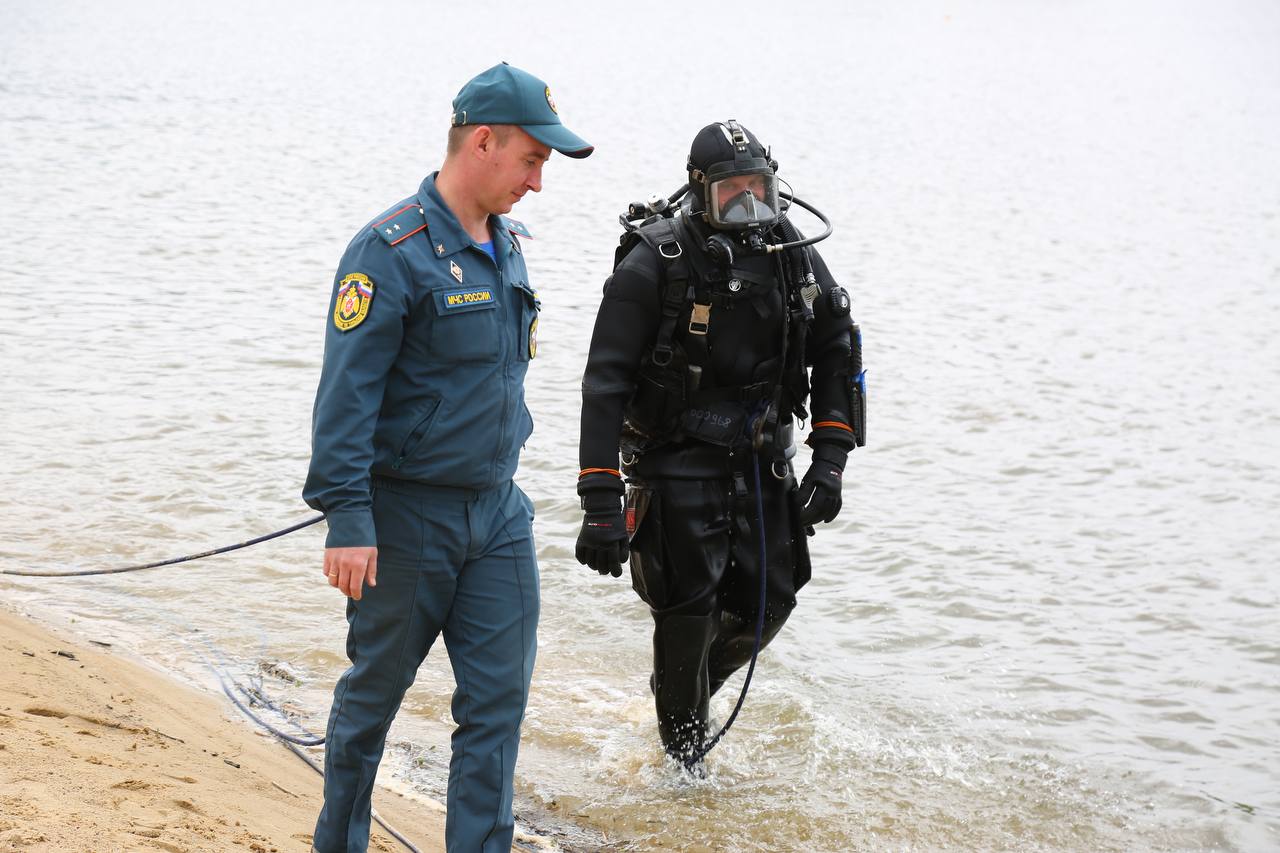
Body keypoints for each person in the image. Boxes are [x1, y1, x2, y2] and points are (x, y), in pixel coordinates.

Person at [302, 62, 592, 852]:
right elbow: (345, 400)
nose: (538, 183)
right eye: (533, 161)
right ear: (485, 142)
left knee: (496, 709)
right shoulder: (387, 252)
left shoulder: (507, 244)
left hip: (496, 514)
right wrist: (348, 518)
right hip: (405, 521)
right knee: (372, 706)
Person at [575, 120, 865, 766]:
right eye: (731, 193)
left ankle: (683, 689)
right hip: (674, 465)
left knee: (774, 599)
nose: (748, 208)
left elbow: (837, 345)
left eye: (759, 191)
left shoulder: (789, 251)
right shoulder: (655, 263)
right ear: (699, 192)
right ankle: (683, 777)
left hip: (762, 462)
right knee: (687, 612)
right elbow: (604, 381)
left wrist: (832, 456)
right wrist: (599, 500)